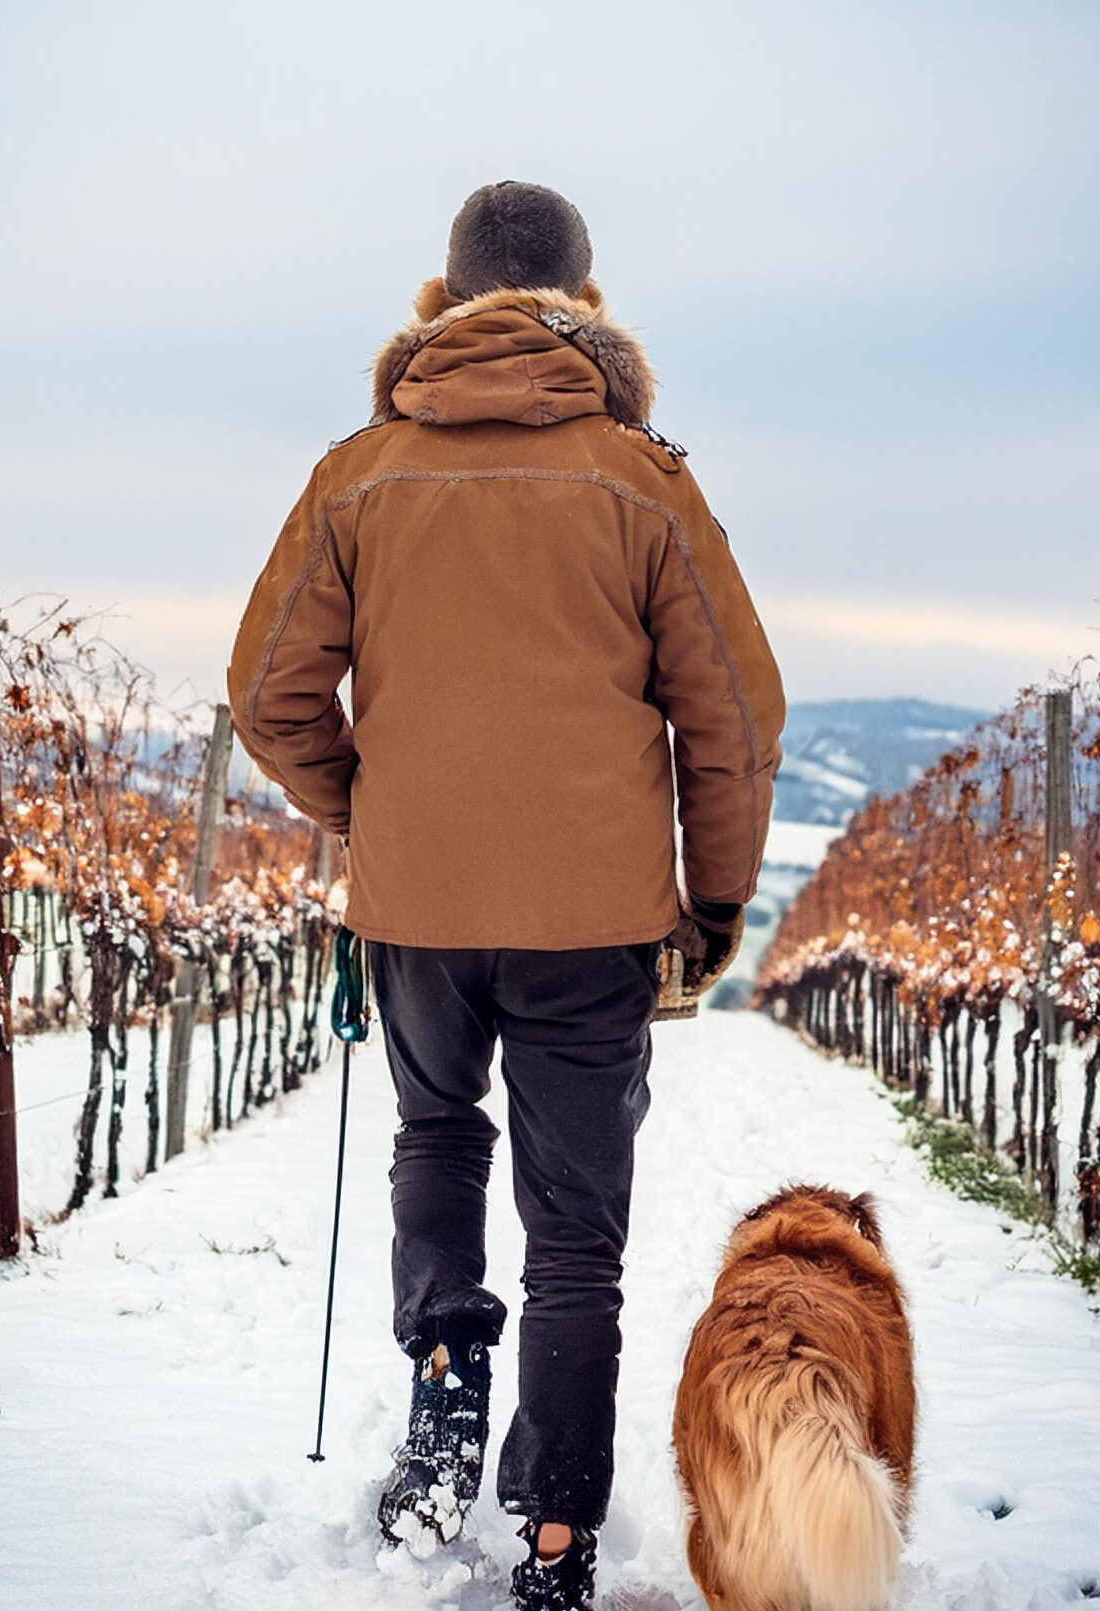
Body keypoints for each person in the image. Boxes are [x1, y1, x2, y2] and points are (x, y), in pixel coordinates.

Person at [226, 179, 785, 1610]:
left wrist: (374, 812)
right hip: (595, 921)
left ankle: (442, 1413)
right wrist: (714, 903)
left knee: (433, 1133)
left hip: (414, 911)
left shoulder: (356, 474)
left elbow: (268, 695)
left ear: (442, 303)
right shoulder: (644, 479)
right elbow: (730, 713)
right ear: (587, 312)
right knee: (578, 1230)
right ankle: (554, 1536)